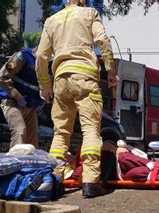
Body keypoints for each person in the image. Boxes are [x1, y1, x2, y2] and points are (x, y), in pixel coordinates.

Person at [35, 0, 117, 198]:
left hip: (61, 79)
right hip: (85, 77)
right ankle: (90, 182)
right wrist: (110, 70)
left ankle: (55, 180)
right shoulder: (89, 13)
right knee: (90, 129)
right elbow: (103, 41)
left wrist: (45, 85)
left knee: (61, 132)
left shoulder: (51, 20)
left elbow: (41, 56)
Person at [0, 47, 46, 148]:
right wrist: (17, 96)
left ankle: (29, 163)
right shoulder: (21, 57)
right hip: (12, 103)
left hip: (31, 107)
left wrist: (43, 101)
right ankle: (16, 162)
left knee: (32, 141)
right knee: (20, 131)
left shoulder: (48, 62)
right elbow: (0, 77)